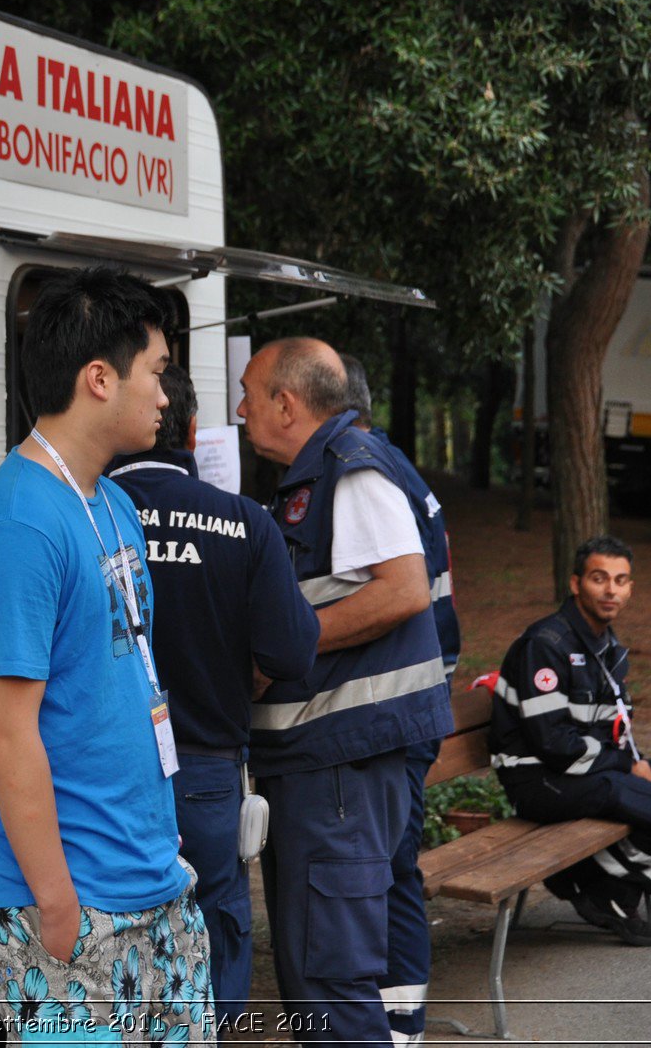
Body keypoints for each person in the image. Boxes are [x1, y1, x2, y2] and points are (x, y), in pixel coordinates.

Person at [0, 266, 215, 1044]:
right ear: (99, 378)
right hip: (77, 900)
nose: (165, 397)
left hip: (153, 877)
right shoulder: (19, 522)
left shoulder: (112, 501)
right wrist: (57, 905)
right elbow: (8, 732)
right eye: (157, 373)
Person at [238, 338, 452, 1047]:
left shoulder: (348, 471)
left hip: (337, 757)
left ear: (285, 403)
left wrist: (284, 649)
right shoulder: (347, 464)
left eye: (247, 392)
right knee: (362, 951)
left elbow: (403, 590)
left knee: (328, 977)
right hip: (360, 753)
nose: (239, 410)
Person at [107, 363, 319, 1030]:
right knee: (214, 928)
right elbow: (290, 652)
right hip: (205, 772)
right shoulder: (244, 522)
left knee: (114, 938)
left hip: (104, 774)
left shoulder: (88, 515)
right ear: (194, 430)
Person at [489, 535, 651, 946]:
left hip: (586, 771)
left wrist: (633, 759)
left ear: (630, 588)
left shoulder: (607, 646)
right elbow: (553, 744)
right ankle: (593, 884)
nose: (611, 589)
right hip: (539, 779)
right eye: (600, 578)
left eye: (621, 580)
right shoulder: (545, 645)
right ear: (576, 584)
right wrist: (624, 765)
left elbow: (613, 726)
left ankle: (608, 888)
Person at [341, 355, 458, 1046]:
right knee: (396, 866)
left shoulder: (364, 472)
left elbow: (402, 594)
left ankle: (399, 1022)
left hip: (402, 706)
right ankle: (401, 1016)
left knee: (388, 869)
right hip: (423, 694)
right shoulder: (398, 466)